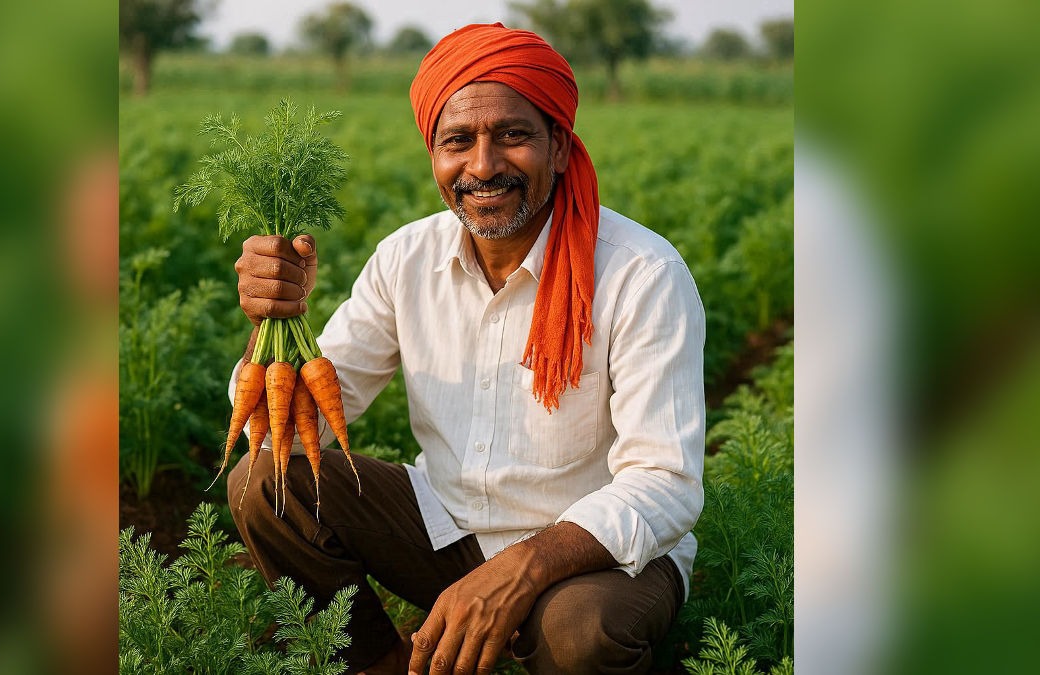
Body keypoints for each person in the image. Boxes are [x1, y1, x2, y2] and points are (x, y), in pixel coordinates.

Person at [227, 23, 705, 675]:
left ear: (559, 146)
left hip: (590, 557)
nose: (483, 166)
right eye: (459, 141)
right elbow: (280, 423)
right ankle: (383, 662)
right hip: (448, 531)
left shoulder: (641, 273)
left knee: (576, 632)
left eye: (512, 135)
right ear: (434, 156)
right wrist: (277, 321)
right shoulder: (406, 258)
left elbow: (666, 483)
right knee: (266, 479)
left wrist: (522, 567)